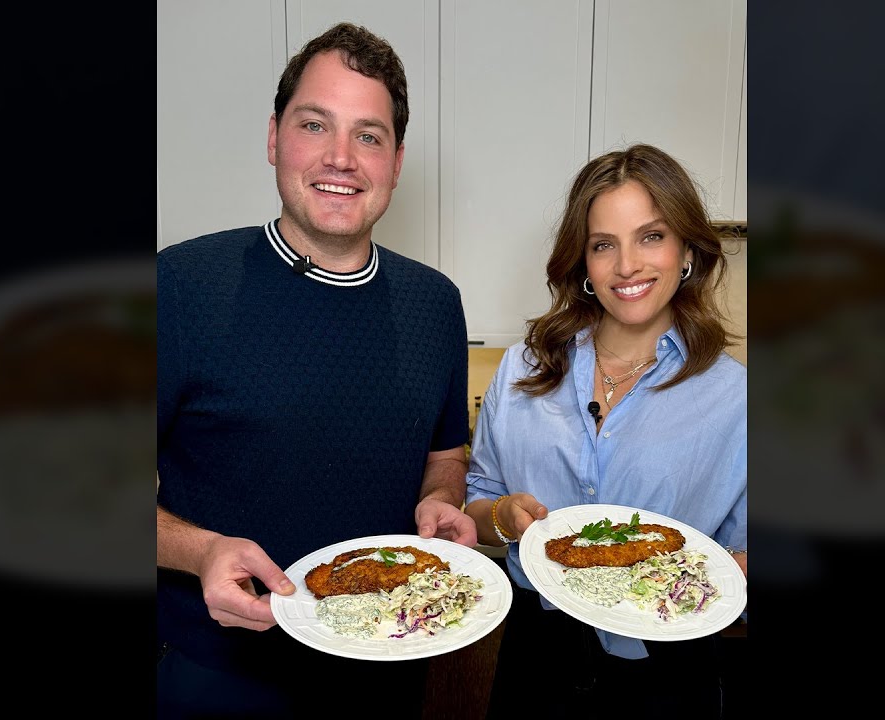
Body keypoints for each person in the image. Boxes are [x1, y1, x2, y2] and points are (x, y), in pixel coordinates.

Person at [156, 22, 476, 718]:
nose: (342, 157)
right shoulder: (178, 287)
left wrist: (443, 500)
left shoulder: (436, 304)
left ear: (395, 160)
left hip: (385, 665)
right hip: (217, 670)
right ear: (274, 138)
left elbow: (445, 457)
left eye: (369, 135)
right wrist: (200, 551)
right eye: (314, 124)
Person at [464, 144, 747, 718]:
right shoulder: (521, 370)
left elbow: (745, 553)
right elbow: (477, 505)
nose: (627, 266)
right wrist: (502, 516)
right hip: (536, 657)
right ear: (583, 262)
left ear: (687, 249)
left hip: (667, 673)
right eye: (603, 245)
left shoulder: (735, 398)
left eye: (651, 236)